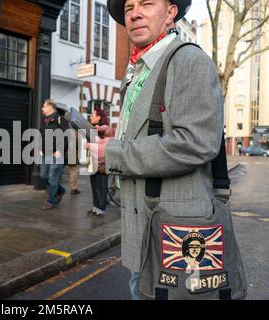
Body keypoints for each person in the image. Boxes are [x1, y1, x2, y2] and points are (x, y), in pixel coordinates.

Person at [105, 0, 224, 300]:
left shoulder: (188, 61)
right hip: (141, 229)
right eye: (130, 6)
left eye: (146, 3)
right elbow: (152, 129)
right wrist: (116, 135)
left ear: (171, 13)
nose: (134, 12)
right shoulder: (139, 69)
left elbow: (197, 142)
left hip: (175, 234)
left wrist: (112, 153)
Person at [39, 99, 69, 211]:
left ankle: (51, 201)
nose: (42, 108)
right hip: (44, 154)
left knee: (52, 178)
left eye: (44, 106)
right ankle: (60, 190)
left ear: (51, 107)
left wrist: (60, 150)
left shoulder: (61, 119)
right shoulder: (45, 121)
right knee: (44, 175)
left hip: (56, 155)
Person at [85, 108, 115, 216]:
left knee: (101, 186)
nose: (90, 117)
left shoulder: (104, 130)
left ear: (98, 117)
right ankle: (95, 207)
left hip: (102, 163)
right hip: (93, 161)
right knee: (94, 184)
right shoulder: (92, 129)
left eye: (93, 115)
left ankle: (101, 209)